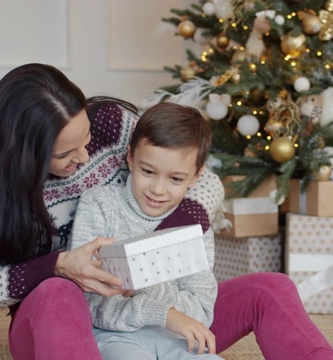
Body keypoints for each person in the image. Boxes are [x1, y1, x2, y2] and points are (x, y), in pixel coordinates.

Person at [0, 63, 333, 360]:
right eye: (65, 154)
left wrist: (160, 247)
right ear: (23, 154)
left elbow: (198, 178)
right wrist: (60, 265)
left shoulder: (112, 126)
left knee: (271, 287)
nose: (84, 158)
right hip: (71, 320)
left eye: (84, 140)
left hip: (169, 309)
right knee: (57, 292)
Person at [69, 102, 220, 359]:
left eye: (176, 179)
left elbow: (201, 309)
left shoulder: (192, 223)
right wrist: (163, 312)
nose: (158, 190)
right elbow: (88, 303)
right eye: (148, 171)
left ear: (196, 176)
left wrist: (141, 287)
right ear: (130, 157)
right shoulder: (99, 204)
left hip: (177, 338)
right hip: (112, 336)